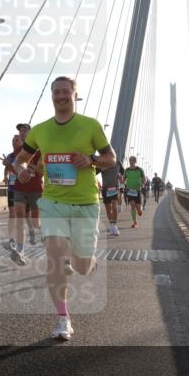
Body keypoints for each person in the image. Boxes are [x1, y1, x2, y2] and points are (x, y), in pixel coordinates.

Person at [12, 76, 116, 341]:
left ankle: (81, 261)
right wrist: (20, 171)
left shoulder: (90, 126)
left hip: (85, 203)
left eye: (65, 92)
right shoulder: (40, 130)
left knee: (81, 266)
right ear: (51, 95)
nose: (61, 96)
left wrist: (91, 159)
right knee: (55, 258)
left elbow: (111, 158)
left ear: (74, 95)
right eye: (56, 92)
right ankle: (62, 318)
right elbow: (20, 160)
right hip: (53, 203)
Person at [10, 122, 43, 264]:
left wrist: (32, 168)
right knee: (19, 217)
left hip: (35, 188)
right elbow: (15, 166)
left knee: (36, 222)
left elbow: (42, 169)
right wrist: (13, 167)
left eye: (25, 130)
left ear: (31, 133)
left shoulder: (39, 148)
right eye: (21, 131)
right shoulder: (18, 150)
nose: (22, 133)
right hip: (20, 187)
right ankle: (20, 251)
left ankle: (38, 232)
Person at [1, 135, 21, 250]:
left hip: (23, 188)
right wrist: (6, 176)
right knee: (12, 214)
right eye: (13, 140)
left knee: (23, 215)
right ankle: (12, 239)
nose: (14, 142)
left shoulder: (25, 155)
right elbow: (6, 168)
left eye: (16, 140)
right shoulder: (9, 156)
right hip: (12, 187)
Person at [100, 161, 122, 237]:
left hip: (114, 187)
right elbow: (94, 171)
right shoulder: (102, 161)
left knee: (114, 206)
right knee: (108, 208)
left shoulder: (118, 162)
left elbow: (122, 172)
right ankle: (112, 226)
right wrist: (102, 168)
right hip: (105, 188)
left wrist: (120, 176)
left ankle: (114, 225)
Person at [123, 156, 145, 228]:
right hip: (130, 190)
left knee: (138, 209)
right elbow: (123, 180)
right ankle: (135, 222)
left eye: (132, 160)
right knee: (132, 205)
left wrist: (143, 183)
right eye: (130, 160)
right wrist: (120, 179)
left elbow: (144, 179)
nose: (130, 162)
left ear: (135, 161)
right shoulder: (126, 170)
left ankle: (140, 210)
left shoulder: (140, 170)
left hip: (137, 190)